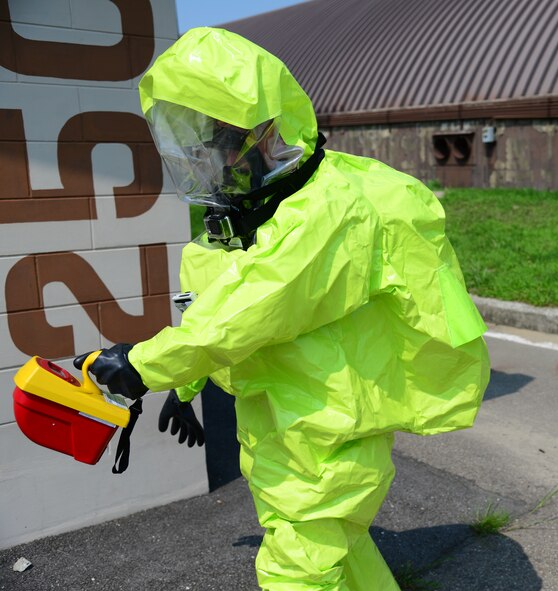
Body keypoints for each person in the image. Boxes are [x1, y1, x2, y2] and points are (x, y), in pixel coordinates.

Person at [75, 27, 490, 591]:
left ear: (262, 130)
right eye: (195, 142)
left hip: (327, 426)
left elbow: (255, 304)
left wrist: (147, 365)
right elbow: (215, 297)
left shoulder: (328, 208)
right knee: (329, 548)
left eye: (216, 139)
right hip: (281, 416)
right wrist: (188, 386)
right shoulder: (263, 205)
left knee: (296, 570)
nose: (208, 158)